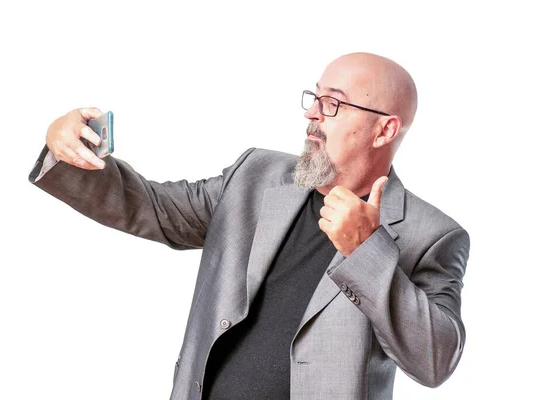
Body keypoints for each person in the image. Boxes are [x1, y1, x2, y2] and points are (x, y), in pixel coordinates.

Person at [28, 52, 470, 400]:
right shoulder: (255, 177)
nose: (312, 114)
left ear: (383, 130)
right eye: (314, 97)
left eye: (332, 103)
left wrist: (368, 250)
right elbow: (155, 209)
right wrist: (68, 151)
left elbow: (435, 360)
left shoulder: (430, 235)